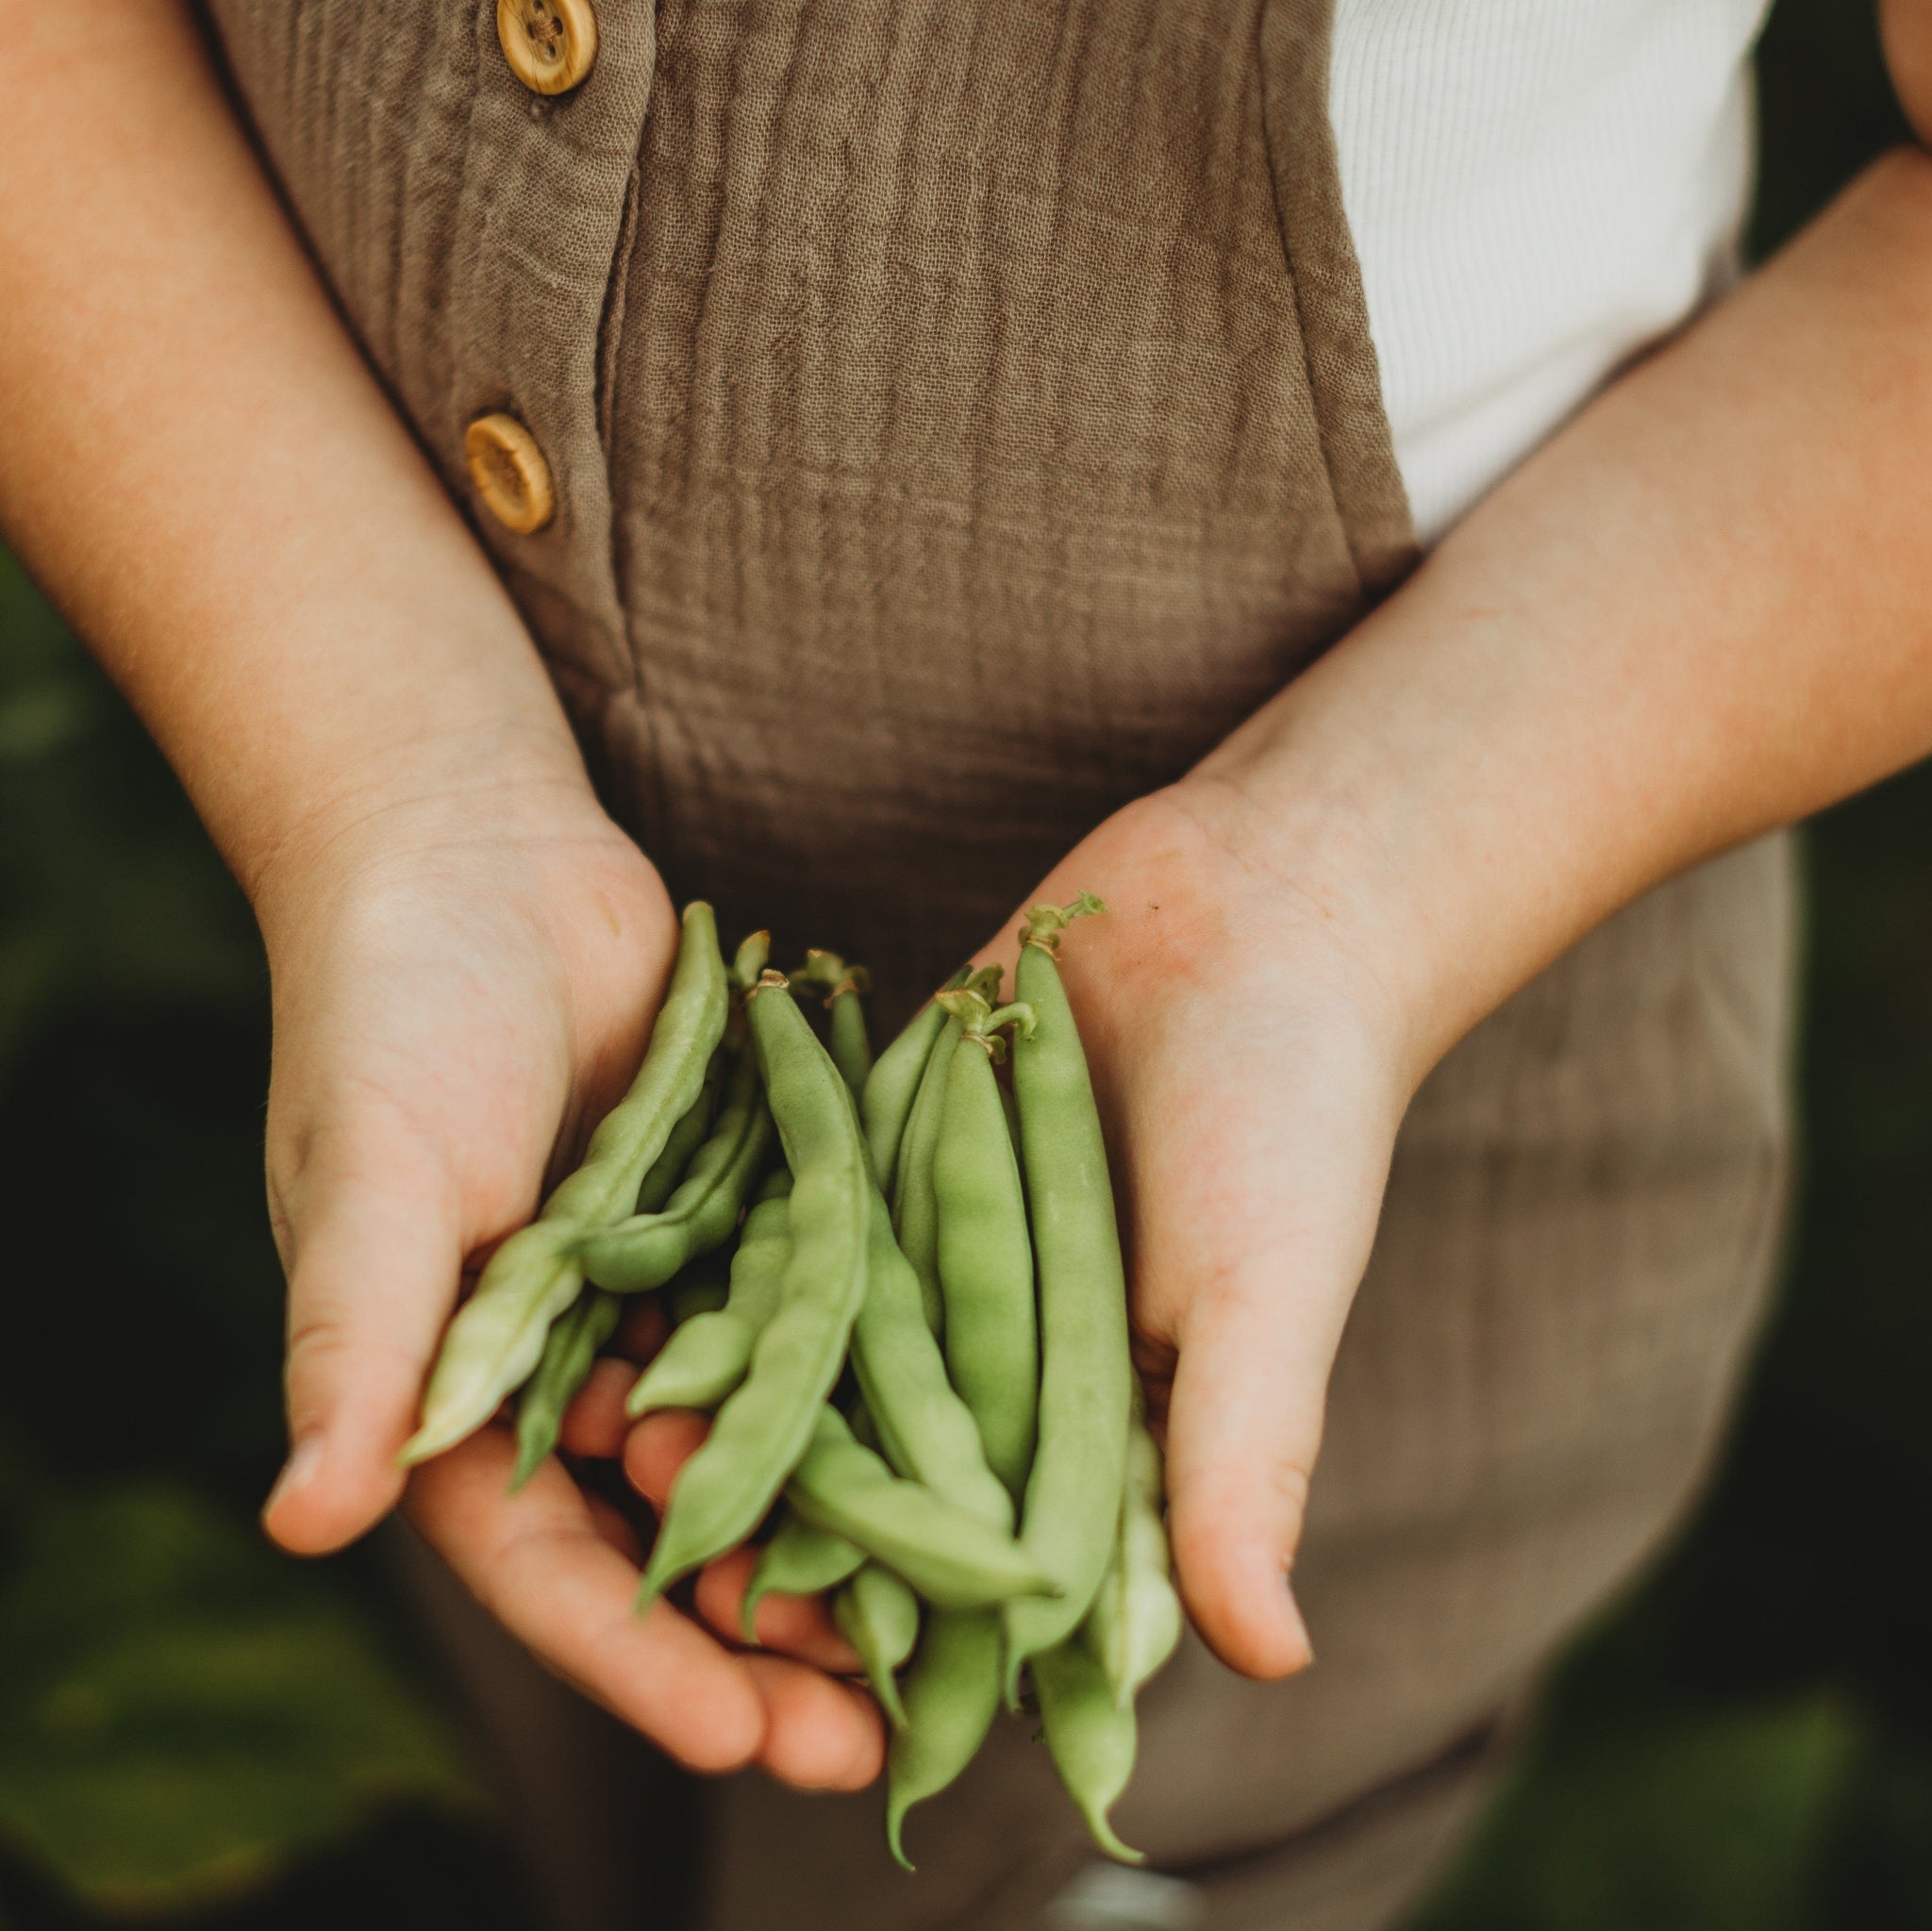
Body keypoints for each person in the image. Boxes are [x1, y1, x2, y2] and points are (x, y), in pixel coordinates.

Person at [6, 2, 1931, 1925]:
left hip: (1419, 1073)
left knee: (1136, 1816)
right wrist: (380, 781)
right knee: (570, 1736)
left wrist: (1346, 882)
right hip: (476, 1051)